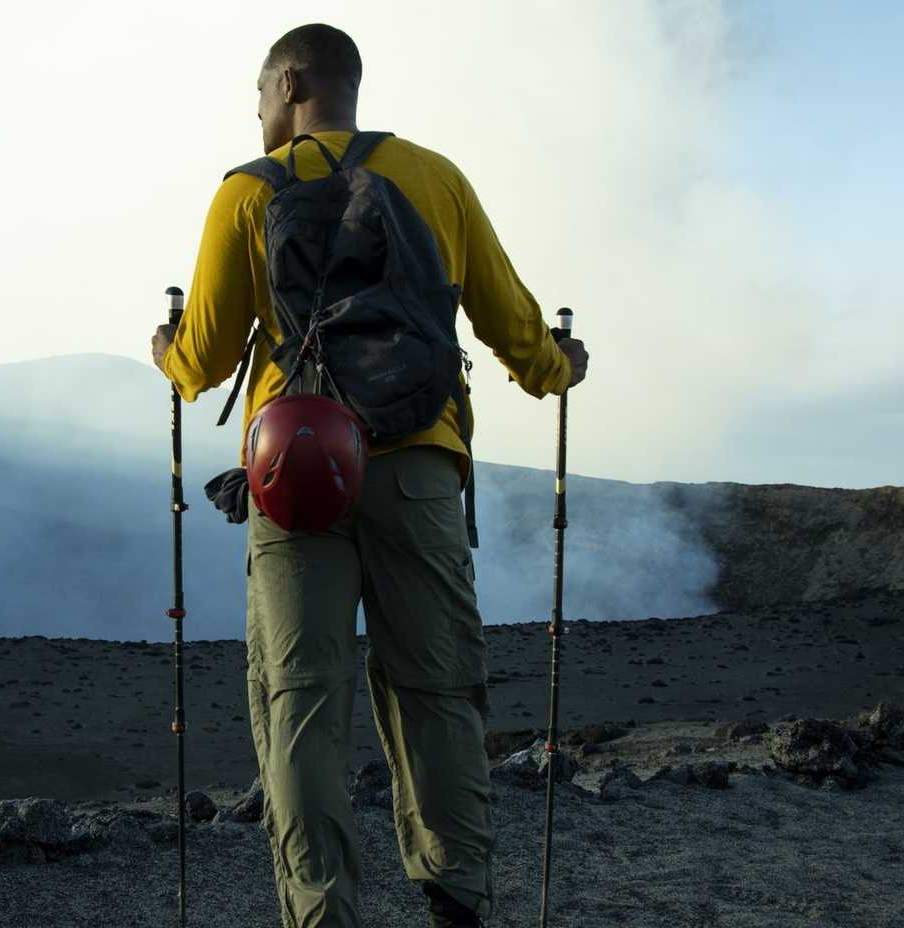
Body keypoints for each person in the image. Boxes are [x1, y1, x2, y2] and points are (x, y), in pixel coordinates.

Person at [151, 22, 589, 928]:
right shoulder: (435, 178)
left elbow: (203, 360)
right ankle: (456, 896)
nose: (257, 111)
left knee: (301, 700)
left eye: (260, 92)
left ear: (292, 82)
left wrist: (167, 349)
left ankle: (323, 911)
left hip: (295, 473)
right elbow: (512, 324)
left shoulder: (246, 191)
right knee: (437, 689)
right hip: (418, 469)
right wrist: (558, 366)